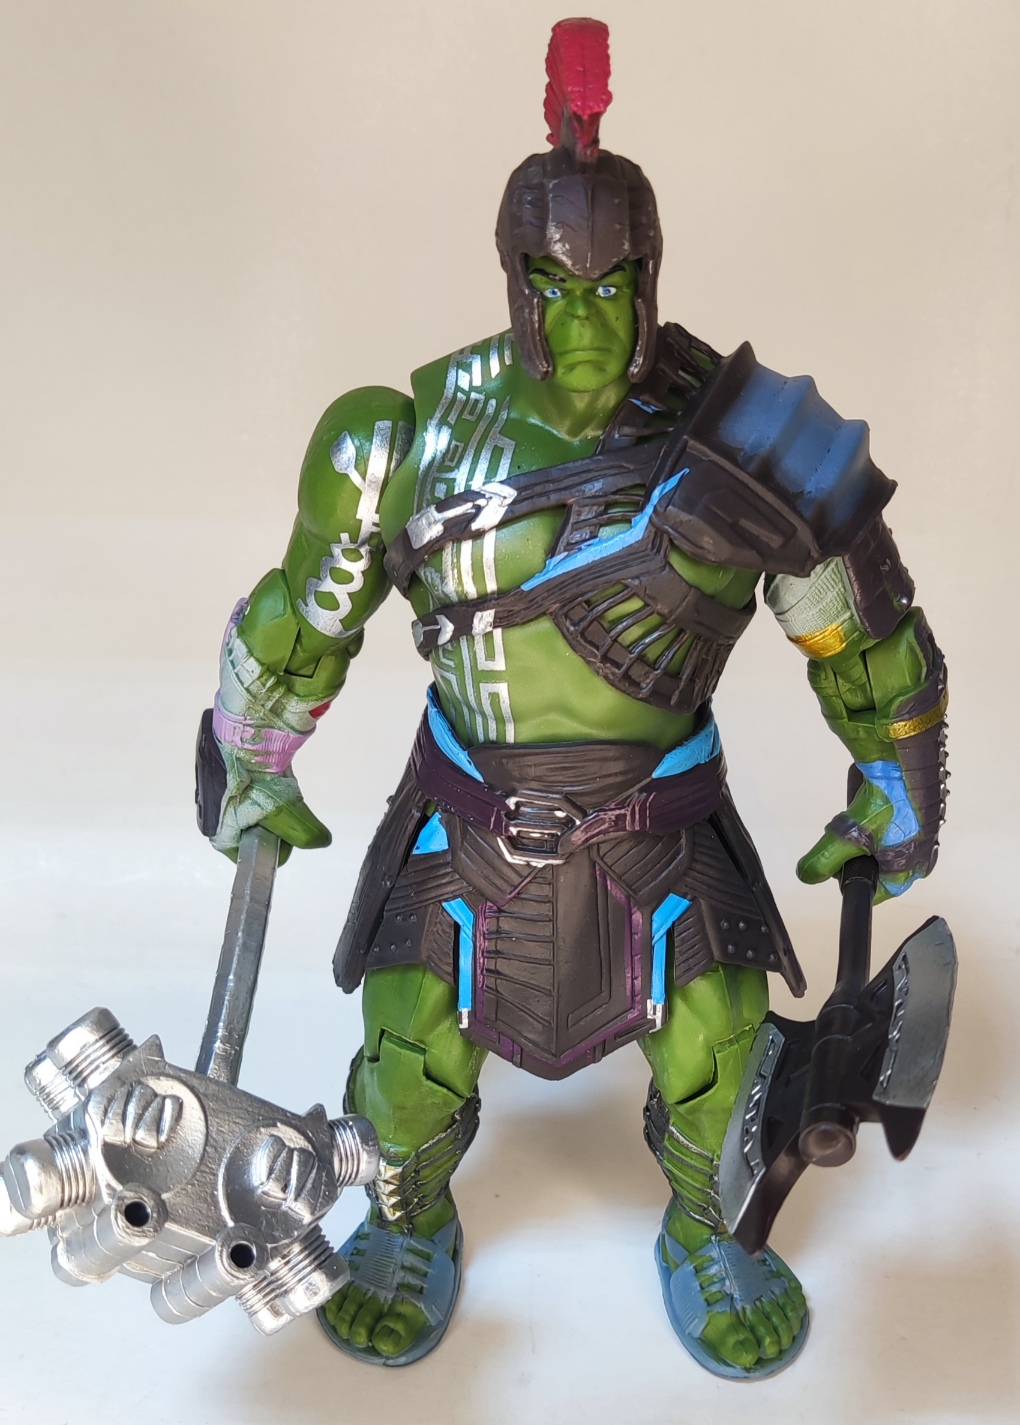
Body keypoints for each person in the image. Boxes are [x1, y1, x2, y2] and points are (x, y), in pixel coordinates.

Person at [201, 19, 947, 1379]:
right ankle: (410, 1221)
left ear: (653, 276)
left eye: (617, 288)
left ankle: (709, 1231)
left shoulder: (740, 436)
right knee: (405, 1067)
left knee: (722, 1063)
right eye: (557, 287)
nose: (591, 320)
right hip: (468, 823)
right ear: (515, 281)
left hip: (660, 827)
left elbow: (862, 634)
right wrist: (252, 749)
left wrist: (897, 784)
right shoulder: (403, 440)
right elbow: (306, 617)